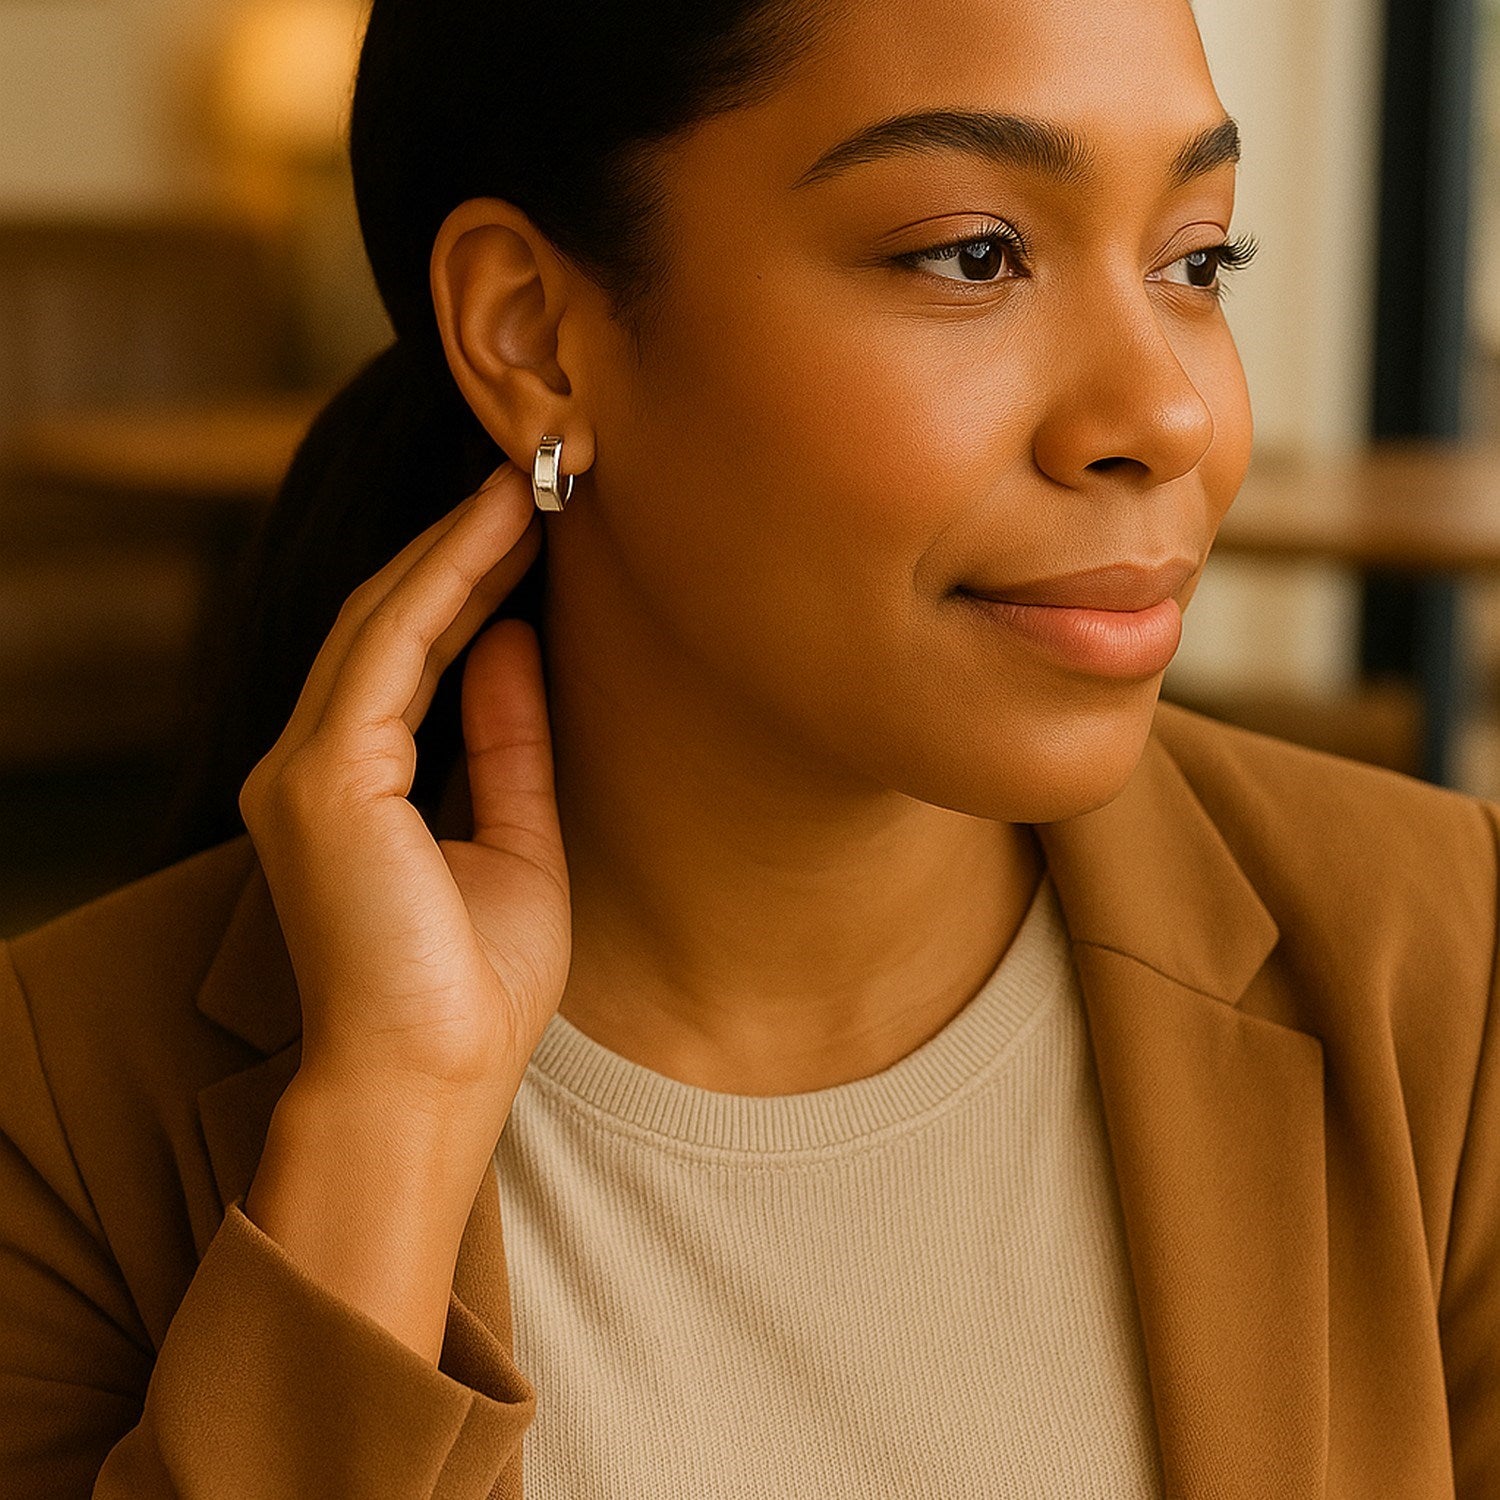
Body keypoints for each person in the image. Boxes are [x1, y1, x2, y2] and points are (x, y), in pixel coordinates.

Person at [1, 0, 1497, 1494]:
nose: (1166, 412)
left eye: (1195, 261)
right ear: (533, 332)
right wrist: (382, 1137)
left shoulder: (1443, 972)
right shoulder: (57, 1118)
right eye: (973, 254)